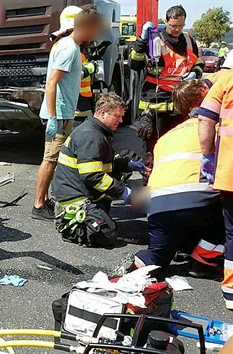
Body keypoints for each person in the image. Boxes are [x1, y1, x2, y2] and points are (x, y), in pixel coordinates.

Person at [133, 79, 224, 277]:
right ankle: (204, 260)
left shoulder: (166, 137)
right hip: (200, 202)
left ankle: (140, 266)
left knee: (156, 260)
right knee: (228, 216)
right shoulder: (214, 128)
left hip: (158, 206)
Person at [32, 5, 104, 221]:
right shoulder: (69, 49)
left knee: (54, 159)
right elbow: (52, 83)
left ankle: (43, 199)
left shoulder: (68, 45)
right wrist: (53, 117)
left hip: (63, 113)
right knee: (50, 159)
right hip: (60, 114)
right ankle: (38, 205)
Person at [52, 93, 146, 246]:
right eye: (117, 116)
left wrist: (126, 164)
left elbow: (102, 162)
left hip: (81, 188)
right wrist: (124, 191)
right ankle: (70, 227)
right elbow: (92, 176)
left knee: (107, 217)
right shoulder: (90, 136)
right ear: (103, 113)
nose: (121, 120)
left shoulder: (98, 131)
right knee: (107, 234)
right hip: (74, 196)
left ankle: (96, 210)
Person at [130, 5, 204, 154]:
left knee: (178, 150)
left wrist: (195, 73)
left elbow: (199, 62)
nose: (176, 29)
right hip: (156, 104)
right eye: (172, 26)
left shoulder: (189, 41)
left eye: (180, 26)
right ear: (166, 22)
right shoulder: (155, 41)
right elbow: (134, 64)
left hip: (181, 104)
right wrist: (141, 41)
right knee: (154, 151)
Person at [197, 51, 233, 310]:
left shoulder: (225, 81)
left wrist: (207, 155)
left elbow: (205, 119)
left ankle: (231, 288)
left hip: (230, 171)